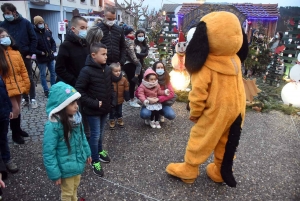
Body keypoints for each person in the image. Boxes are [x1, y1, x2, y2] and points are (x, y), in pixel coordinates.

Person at [43, 82, 91, 201]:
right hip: (65, 168)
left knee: (75, 186)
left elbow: (82, 137)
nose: (76, 106)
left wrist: (87, 152)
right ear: (62, 106)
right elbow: (49, 152)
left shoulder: (76, 119)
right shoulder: (53, 125)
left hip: (77, 163)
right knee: (67, 192)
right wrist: (55, 173)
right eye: (72, 104)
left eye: (76, 102)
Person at [75, 42, 113, 177]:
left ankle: (100, 151)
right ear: (93, 55)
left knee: (101, 133)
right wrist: (94, 103)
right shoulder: (86, 71)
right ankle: (94, 160)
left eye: (106, 54)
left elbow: (110, 88)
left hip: (105, 109)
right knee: (95, 135)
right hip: (92, 110)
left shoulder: (107, 69)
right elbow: (79, 90)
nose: (106, 57)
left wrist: (110, 102)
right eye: (103, 54)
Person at [55, 16, 90, 140]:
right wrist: (75, 81)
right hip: (72, 87)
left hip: (85, 87)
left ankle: (85, 140)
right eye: (82, 28)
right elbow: (59, 69)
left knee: (85, 116)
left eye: (86, 28)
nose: (85, 30)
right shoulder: (66, 46)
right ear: (73, 29)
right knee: (74, 115)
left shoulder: (86, 44)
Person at [0, 3, 38, 108]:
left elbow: (34, 38)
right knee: (15, 78)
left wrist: (30, 53)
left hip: (25, 55)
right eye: (4, 13)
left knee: (28, 77)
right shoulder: (3, 25)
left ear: (14, 12)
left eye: (8, 13)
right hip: (8, 56)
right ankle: (24, 98)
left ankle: (33, 98)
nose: (6, 15)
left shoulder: (25, 23)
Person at [0, 28, 30, 145]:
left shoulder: (16, 52)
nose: (5, 38)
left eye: (6, 36)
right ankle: (14, 134)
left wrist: (26, 84)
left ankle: (17, 129)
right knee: (14, 109)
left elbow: (23, 70)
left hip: (18, 85)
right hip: (7, 87)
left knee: (18, 109)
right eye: (2, 37)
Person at [33, 16, 57, 98]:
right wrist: (40, 53)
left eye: (42, 23)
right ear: (36, 24)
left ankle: (54, 88)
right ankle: (46, 90)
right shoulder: (33, 34)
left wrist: (53, 50)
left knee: (53, 73)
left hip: (50, 57)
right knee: (43, 75)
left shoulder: (47, 32)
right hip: (41, 58)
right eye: (39, 23)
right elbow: (32, 48)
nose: (41, 24)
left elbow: (53, 42)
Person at [0, 75, 18, 173]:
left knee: (3, 138)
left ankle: (6, 159)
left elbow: (6, 94)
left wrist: (10, 109)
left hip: (3, 114)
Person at [122, 26, 142, 108]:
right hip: (129, 63)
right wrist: (136, 61)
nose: (132, 34)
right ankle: (132, 99)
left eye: (132, 32)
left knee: (135, 80)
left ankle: (134, 97)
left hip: (129, 62)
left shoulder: (128, 40)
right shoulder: (129, 41)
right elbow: (131, 53)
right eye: (130, 33)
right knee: (133, 81)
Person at [109, 62, 130, 130]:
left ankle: (119, 119)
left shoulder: (123, 79)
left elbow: (126, 87)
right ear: (111, 71)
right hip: (111, 99)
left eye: (119, 71)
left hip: (120, 99)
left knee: (119, 110)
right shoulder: (109, 79)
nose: (118, 72)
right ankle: (112, 120)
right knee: (112, 111)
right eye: (115, 71)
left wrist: (127, 96)